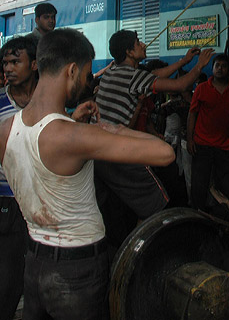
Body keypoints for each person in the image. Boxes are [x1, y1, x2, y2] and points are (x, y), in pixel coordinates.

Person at [0, 28, 175, 320]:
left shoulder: (6, 129)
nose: (86, 82)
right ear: (71, 70)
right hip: (77, 272)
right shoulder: (75, 137)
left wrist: (72, 121)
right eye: (85, 74)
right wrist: (111, 129)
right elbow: (164, 153)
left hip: (34, 264)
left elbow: (40, 146)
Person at [94, 30, 214, 225]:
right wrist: (199, 65)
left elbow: (154, 75)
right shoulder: (134, 77)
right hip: (115, 152)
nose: (143, 44)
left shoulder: (112, 72)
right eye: (138, 42)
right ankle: (144, 240)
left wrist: (184, 61)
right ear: (129, 52)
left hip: (96, 150)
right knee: (155, 201)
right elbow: (180, 85)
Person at [0, 36, 38, 320]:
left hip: (40, 199)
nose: (8, 68)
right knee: (7, 281)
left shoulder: (47, 102)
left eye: (16, 62)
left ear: (34, 64)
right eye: (5, 63)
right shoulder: (1, 102)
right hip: (7, 202)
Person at [187, 54, 229, 211]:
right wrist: (190, 139)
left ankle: (221, 217)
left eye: (224, 66)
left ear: (228, 69)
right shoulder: (202, 89)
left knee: (225, 187)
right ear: (212, 68)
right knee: (199, 184)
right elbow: (192, 114)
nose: (220, 69)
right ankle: (197, 215)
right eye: (217, 65)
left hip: (225, 146)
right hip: (202, 144)